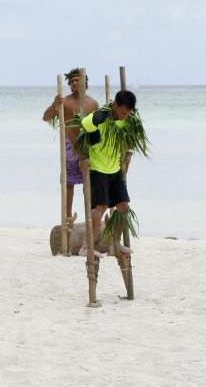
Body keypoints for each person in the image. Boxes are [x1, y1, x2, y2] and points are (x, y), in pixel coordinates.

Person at [78, 89, 136, 253]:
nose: (125, 116)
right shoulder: (100, 118)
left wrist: (128, 155)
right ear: (115, 105)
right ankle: (86, 247)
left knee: (124, 207)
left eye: (128, 113)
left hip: (115, 170)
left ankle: (113, 244)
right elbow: (84, 124)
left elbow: (130, 139)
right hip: (98, 169)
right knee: (100, 208)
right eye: (123, 112)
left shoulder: (127, 121)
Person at [42, 68, 99, 220]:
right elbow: (46, 117)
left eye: (77, 80)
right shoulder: (64, 102)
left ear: (84, 82)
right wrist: (54, 105)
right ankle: (67, 216)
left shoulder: (92, 103)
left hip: (87, 146)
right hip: (69, 146)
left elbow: (99, 127)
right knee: (68, 183)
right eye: (71, 81)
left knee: (89, 182)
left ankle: (89, 216)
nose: (74, 83)